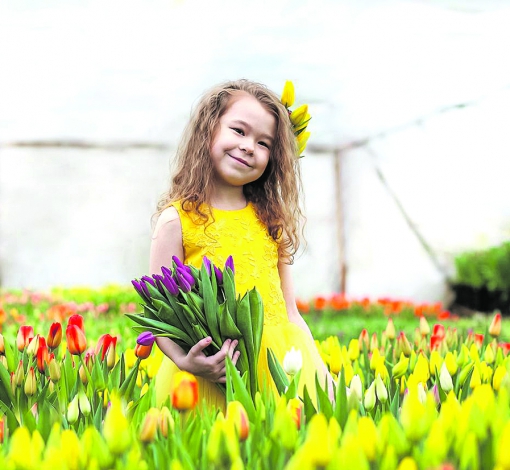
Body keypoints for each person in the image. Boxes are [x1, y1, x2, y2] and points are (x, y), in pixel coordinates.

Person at [150, 79, 330, 410]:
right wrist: (186, 362)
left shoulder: (270, 220)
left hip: (276, 363)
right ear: (208, 130)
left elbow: (289, 310)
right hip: (212, 369)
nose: (249, 146)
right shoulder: (177, 221)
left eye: (264, 143)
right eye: (239, 131)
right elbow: (162, 313)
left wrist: (320, 370)